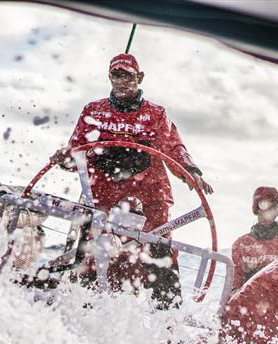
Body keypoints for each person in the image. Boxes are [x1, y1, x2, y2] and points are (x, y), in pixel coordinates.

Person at [51, 53, 213, 308]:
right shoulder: (94, 111)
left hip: (150, 193)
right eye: (117, 75)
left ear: (139, 78)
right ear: (110, 77)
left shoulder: (155, 114)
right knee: (93, 244)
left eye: (127, 75)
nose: (122, 81)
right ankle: (83, 305)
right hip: (103, 191)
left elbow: (173, 148)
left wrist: (190, 171)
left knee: (159, 245)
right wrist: (65, 158)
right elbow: (77, 151)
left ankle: (167, 313)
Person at [230, 186, 278, 291]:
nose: (270, 211)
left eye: (274, 206)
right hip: (254, 302)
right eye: (265, 205)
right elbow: (235, 285)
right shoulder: (241, 245)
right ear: (257, 209)